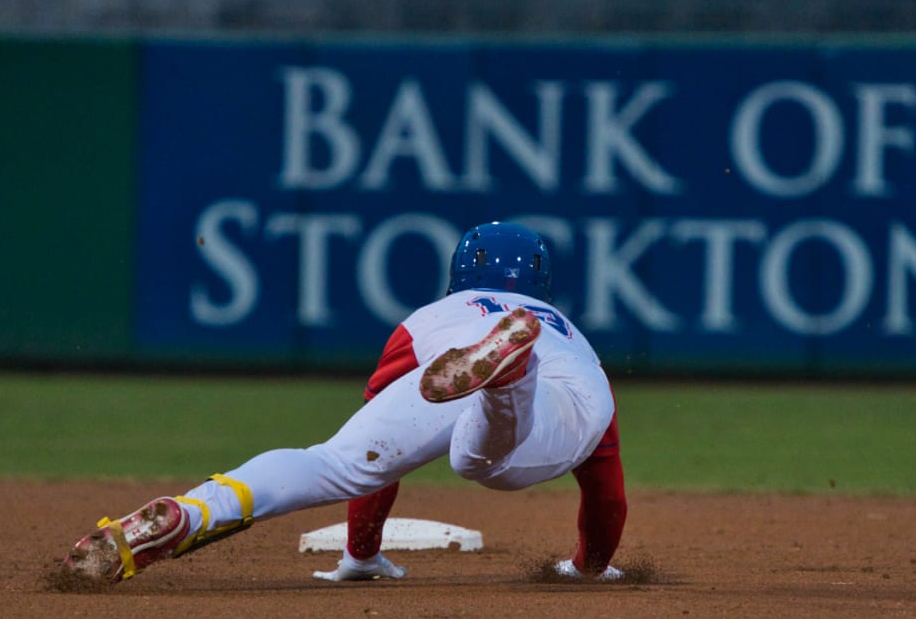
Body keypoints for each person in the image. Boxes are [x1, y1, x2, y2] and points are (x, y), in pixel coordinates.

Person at [61, 221, 627, 584]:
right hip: (564, 393)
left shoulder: (431, 316)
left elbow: (377, 468)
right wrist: (590, 566)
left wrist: (361, 556)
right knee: (483, 462)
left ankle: (193, 511)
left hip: (446, 352)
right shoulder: (576, 339)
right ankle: (510, 377)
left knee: (332, 461)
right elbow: (607, 497)